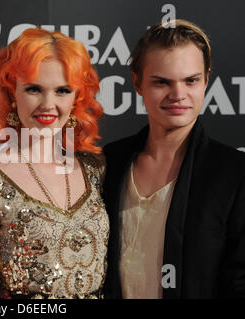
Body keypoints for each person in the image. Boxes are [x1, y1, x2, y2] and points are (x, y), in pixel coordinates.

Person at [0, 28, 108, 299]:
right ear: (12, 92)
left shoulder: (94, 169)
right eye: (34, 89)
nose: (48, 104)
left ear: (77, 97)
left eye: (62, 90)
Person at [103, 19, 245, 298]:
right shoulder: (108, 162)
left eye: (190, 80)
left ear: (206, 79)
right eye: (161, 82)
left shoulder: (235, 174)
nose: (178, 95)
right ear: (138, 83)